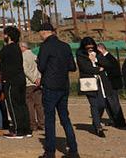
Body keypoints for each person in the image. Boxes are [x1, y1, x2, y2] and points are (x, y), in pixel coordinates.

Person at [35, 21, 79, 158]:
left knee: (49, 119)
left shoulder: (45, 46)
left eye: (40, 34)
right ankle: (73, 150)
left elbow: (41, 67)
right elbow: (72, 67)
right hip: (63, 85)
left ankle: (50, 151)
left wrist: (41, 63)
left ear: (44, 32)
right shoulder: (65, 46)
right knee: (65, 118)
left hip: (50, 85)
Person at [0, 26, 31, 138]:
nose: (3, 36)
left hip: (11, 80)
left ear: (8, 36)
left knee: (13, 105)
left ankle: (17, 130)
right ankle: (26, 129)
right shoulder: (17, 47)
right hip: (21, 79)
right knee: (22, 105)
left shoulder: (8, 48)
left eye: (4, 34)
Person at [74, 37, 107, 136]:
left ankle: (95, 120)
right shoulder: (80, 54)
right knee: (94, 104)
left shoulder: (98, 53)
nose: (90, 49)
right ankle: (98, 127)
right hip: (88, 82)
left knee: (102, 104)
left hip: (100, 82)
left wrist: (96, 59)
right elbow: (85, 68)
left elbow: (106, 64)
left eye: (92, 47)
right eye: (88, 48)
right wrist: (98, 69)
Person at [96, 43, 126, 127]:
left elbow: (113, 71)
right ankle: (115, 120)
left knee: (114, 103)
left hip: (112, 84)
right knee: (108, 103)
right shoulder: (107, 57)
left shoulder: (109, 58)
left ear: (101, 49)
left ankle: (120, 122)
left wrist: (103, 69)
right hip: (108, 84)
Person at [20, 42, 45, 132]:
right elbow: (40, 68)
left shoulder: (23, 56)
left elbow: (25, 70)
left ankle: (32, 124)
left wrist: (34, 79)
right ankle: (42, 123)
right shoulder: (35, 56)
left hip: (29, 83)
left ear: (23, 47)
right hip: (38, 83)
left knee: (30, 104)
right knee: (39, 104)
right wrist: (39, 78)